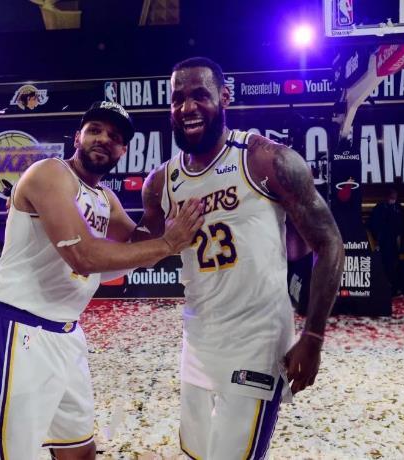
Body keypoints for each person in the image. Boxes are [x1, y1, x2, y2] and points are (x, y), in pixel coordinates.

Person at [0, 100, 203, 460]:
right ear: (77, 137)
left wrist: (158, 203)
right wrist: (168, 242)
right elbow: (84, 255)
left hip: (66, 334)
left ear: (123, 151)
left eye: (115, 137)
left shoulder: (106, 198)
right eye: (95, 130)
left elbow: (139, 245)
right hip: (16, 330)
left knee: (79, 451)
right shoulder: (49, 174)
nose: (104, 139)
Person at [137, 57, 345, 460]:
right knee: (198, 452)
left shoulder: (265, 159)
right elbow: (140, 253)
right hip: (198, 339)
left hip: (258, 342)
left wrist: (314, 336)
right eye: (177, 99)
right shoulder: (161, 182)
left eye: (200, 95)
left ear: (225, 97)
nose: (187, 107)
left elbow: (330, 243)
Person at [367, 187, 404, 295]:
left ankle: (394, 287)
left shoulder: (397, 208)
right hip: (383, 241)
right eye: (392, 197)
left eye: (395, 197)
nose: (393, 199)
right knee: (385, 265)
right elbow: (373, 225)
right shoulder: (379, 208)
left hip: (394, 241)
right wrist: (377, 241)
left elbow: (401, 225)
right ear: (387, 197)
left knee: (394, 265)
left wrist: (399, 238)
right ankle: (386, 288)